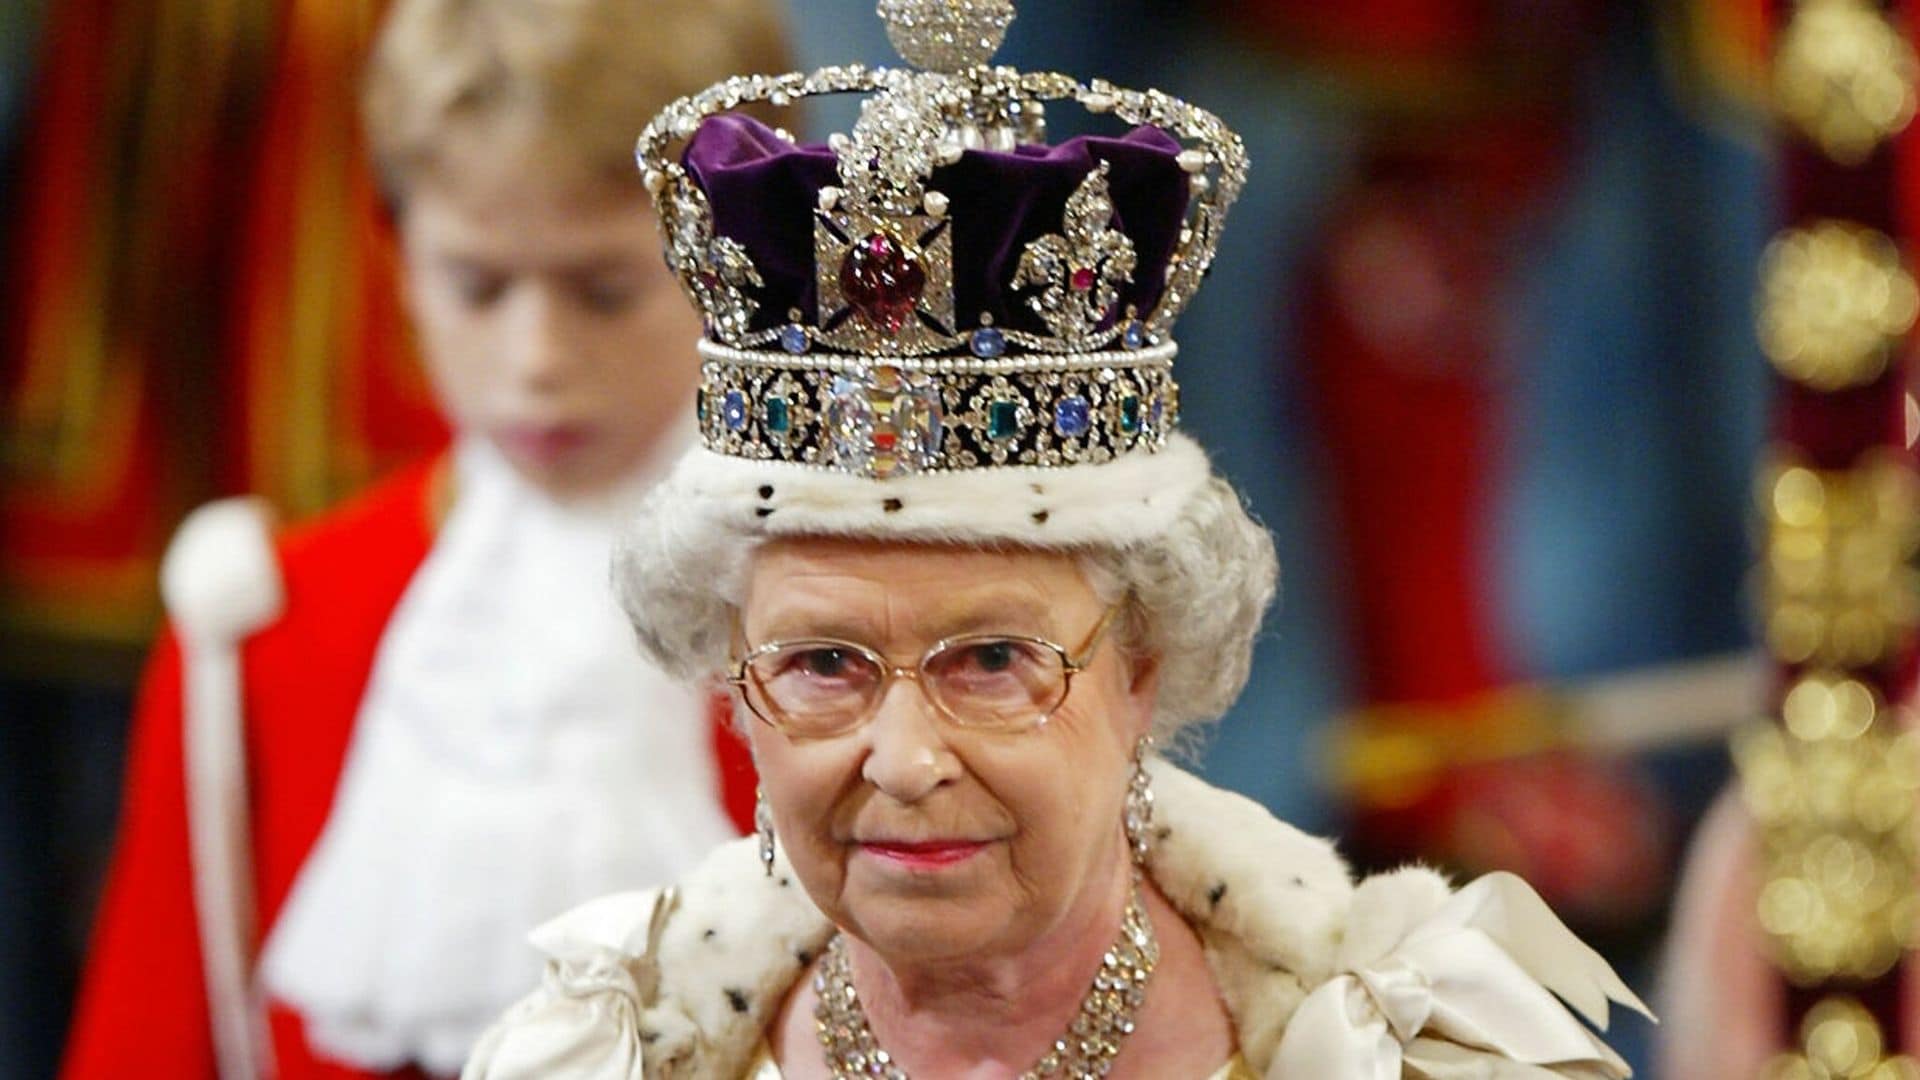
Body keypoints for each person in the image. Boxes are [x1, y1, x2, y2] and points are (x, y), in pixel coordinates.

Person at [462, 4, 1651, 1076]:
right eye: (823, 665)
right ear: (735, 681)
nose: (905, 760)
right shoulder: (605, 1049)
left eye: (991, 662)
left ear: (1143, 672)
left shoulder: (1400, 1051)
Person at [61, 2, 790, 1077]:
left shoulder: (846, 613)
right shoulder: (264, 623)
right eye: (479, 285)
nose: (536, 357)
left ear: (741, 257)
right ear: (397, 255)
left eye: (604, 288)